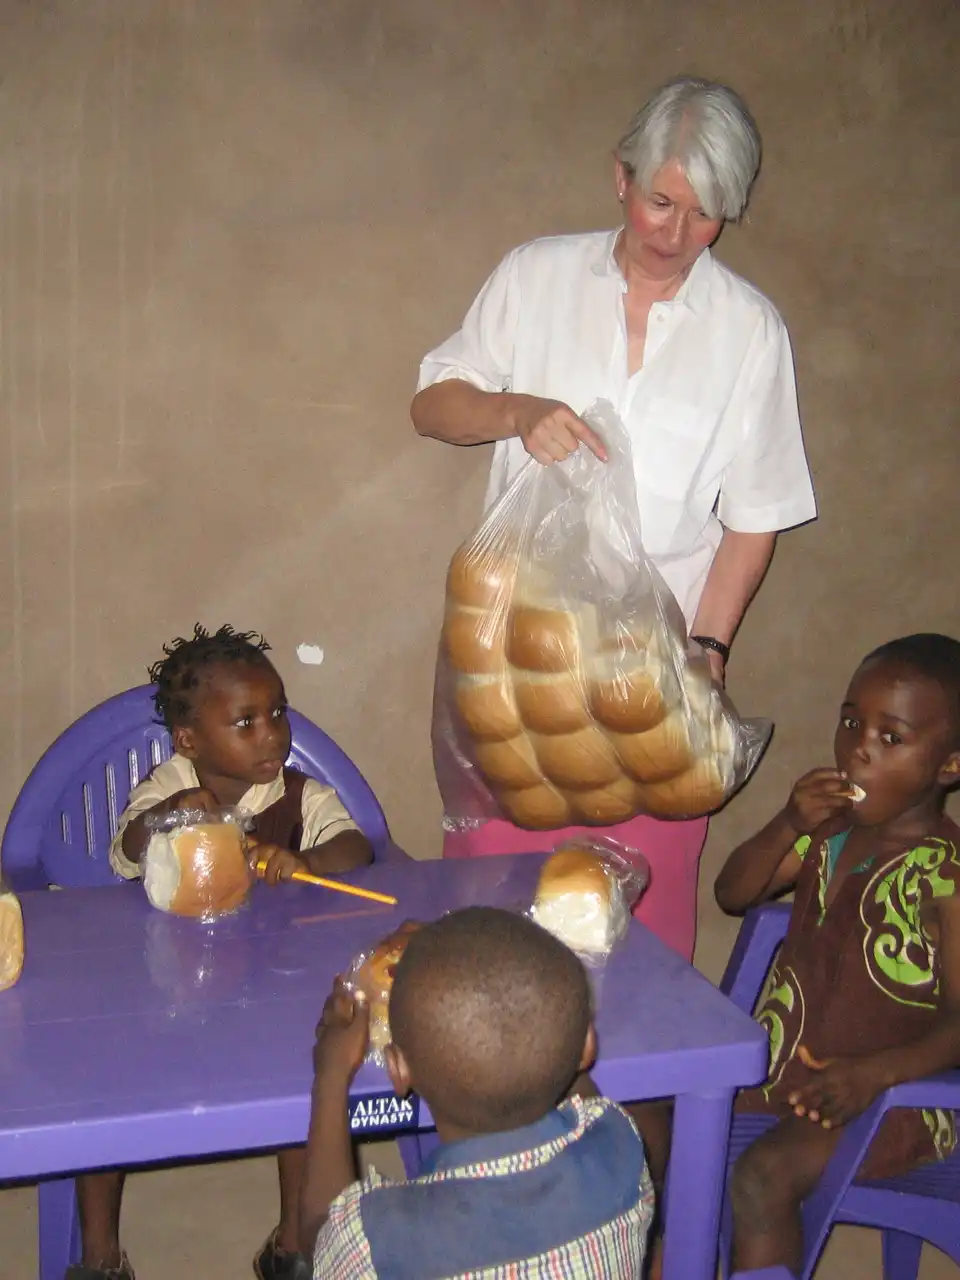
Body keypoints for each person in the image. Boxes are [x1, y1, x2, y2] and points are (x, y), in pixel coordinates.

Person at [411, 75, 817, 962]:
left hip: (653, 679)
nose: (676, 234)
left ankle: (636, 1104)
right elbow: (434, 406)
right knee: (491, 934)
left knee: (639, 947)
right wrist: (516, 411)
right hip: (513, 667)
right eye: (662, 201)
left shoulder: (749, 330)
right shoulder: (536, 274)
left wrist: (707, 652)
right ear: (621, 180)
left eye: (706, 214)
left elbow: (755, 518)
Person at [70, 625, 374, 1280]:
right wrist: (175, 813)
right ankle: (99, 1254)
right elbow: (128, 847)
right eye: (246, 722)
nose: (272, 734)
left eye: (277, 713)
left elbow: (357, 849)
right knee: (97, 1081)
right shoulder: (169, 785)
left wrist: (304, 860)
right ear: (190, 741)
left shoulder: (298, 798)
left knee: (307, 1074)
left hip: (271, 990)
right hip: (162, 989)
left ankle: (293, 1244)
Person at [713, 633, 960, 1273]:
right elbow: (733, 892)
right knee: (656, 1125)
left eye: (891, 737)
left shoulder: (947, 876)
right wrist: (789, 823)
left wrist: (873, 1075)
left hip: (893, 1097)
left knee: (760, 1179)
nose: (858, 748)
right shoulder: (828, 835)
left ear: (951, 764)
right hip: (783, 1076)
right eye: (851, 721)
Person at [299, 907, 654, 1278]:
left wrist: (332, 1074)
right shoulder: (620, 1146)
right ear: (587, 1046)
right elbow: (580, 1087)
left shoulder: (379, 1240)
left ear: (398, 1070)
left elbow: (320, 1233)